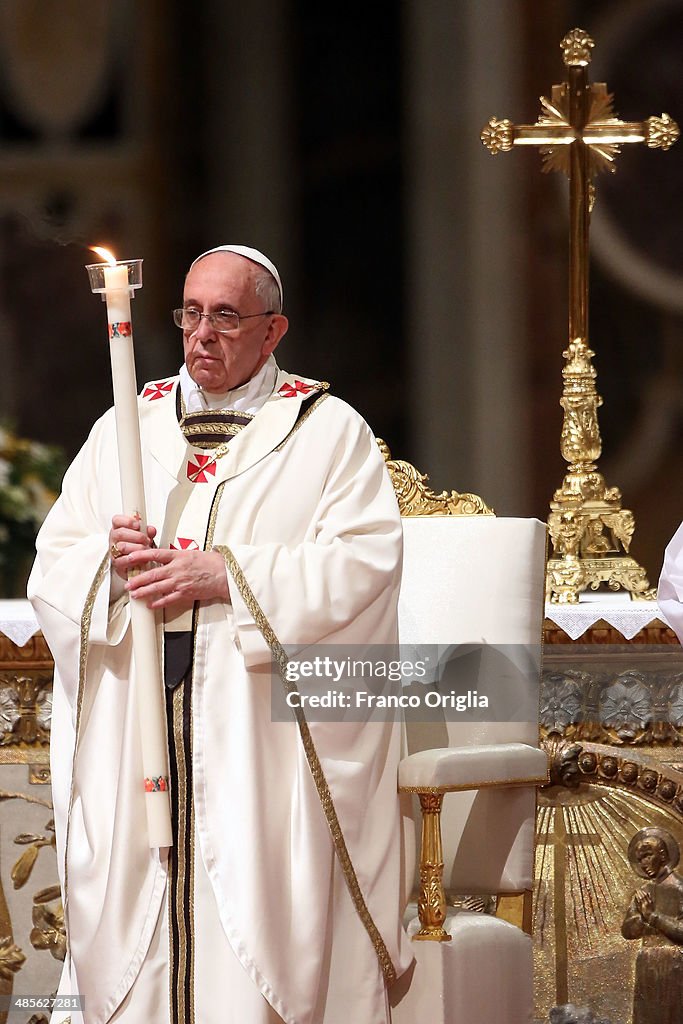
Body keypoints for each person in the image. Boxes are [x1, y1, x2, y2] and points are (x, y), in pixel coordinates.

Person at [28, 245, 413, 1024]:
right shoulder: (125, 425)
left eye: (225, 317)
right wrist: (109, 567)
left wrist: (226, 577)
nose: (202, 334)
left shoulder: (326, 430)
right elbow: (54, 562)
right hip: (141, 704)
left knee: (247, 907)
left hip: (256, 726)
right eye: (190, 313)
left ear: (272, 333)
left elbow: (364, 561)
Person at [621, 827, 683, 1024]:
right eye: (640, 859)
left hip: (674, 964)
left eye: (647, 856)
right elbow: (627, 931)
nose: (644, 863)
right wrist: (640, 918)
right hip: (647, 963)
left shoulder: (680, 888)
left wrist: (653, 917)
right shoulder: (644, 891)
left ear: (663, 855)